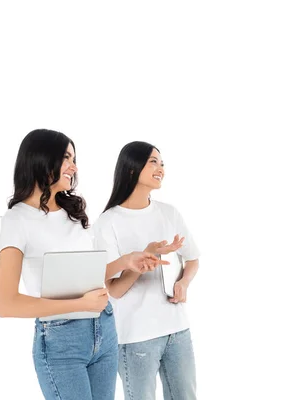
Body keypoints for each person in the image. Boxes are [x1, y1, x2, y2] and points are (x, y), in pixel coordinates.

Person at [0, 129, 165, 400]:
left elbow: (83, 275)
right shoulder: (17, 221)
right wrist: (80, 305)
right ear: (41, 158)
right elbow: (6, 304)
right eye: (66, 157)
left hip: (104, 329)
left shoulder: (72, 213)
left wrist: (126, 262)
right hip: (62, 340)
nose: (74, 167)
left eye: (74, 158)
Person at [94, 141, 200, 400]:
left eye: (162, 163)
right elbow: (114, 290)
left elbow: (193, 258)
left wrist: (184, 283)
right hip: (136, 337)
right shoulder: (108, 222)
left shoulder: (169, 213)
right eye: (153, 161)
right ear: (131, 169)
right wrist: (142, 261)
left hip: (177, 330)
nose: (160, 168)